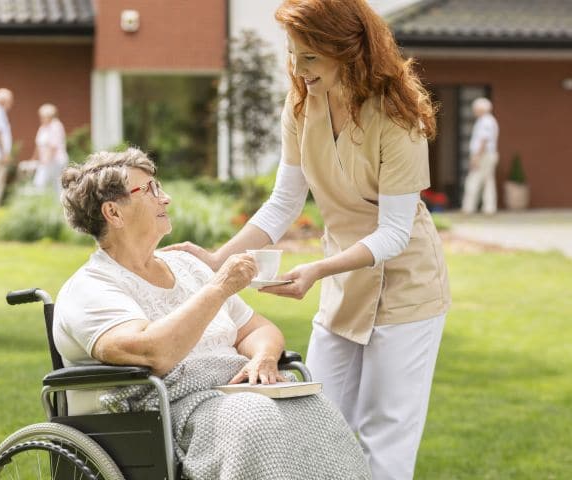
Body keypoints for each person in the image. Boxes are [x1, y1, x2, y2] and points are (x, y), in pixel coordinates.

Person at [164, 1, 451, 478]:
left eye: (310, 57)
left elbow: (396, 233)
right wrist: (219, 259)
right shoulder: (301, 104)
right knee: (314, 418)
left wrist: (318, 270)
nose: (297, 69)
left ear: (347, 50)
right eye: (293, 54)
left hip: (407, 289)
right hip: (344, 283)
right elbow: (283, 203)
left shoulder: (397, 116)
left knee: (386, 435)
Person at [54, 148, 369, 479]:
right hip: (169, 412)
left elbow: (255, 329)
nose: (166, 199)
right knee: (255, 420)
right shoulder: (91, 288)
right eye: (150, 190)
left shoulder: (187, 267)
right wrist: (219, 287)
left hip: (232, 394)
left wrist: (263, 358)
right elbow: (151, 352)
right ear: (113, 213)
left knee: (314, 409)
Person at [462, 97, 500, 214]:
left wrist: (476, 157)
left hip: (484, 155)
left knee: (473, 180)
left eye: (476, 109)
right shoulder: (488, 120)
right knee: (488, 181)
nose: (474, 111)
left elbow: (484, 140)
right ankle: (489, 208)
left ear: (481, 109)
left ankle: (468, 208)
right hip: (488, 154)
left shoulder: (485, 121)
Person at [30, 103, 69, 193]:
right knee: (39, 183)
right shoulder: (43, 128)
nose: (41, 119)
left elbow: (53, 146)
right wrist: (34, 159)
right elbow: (38, 145)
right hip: (45, 161)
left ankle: (61, 204)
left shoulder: (56, 126)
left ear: (50, 116)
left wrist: (46, 160)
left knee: (58, 185)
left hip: (56, 160)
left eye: (43, 117)